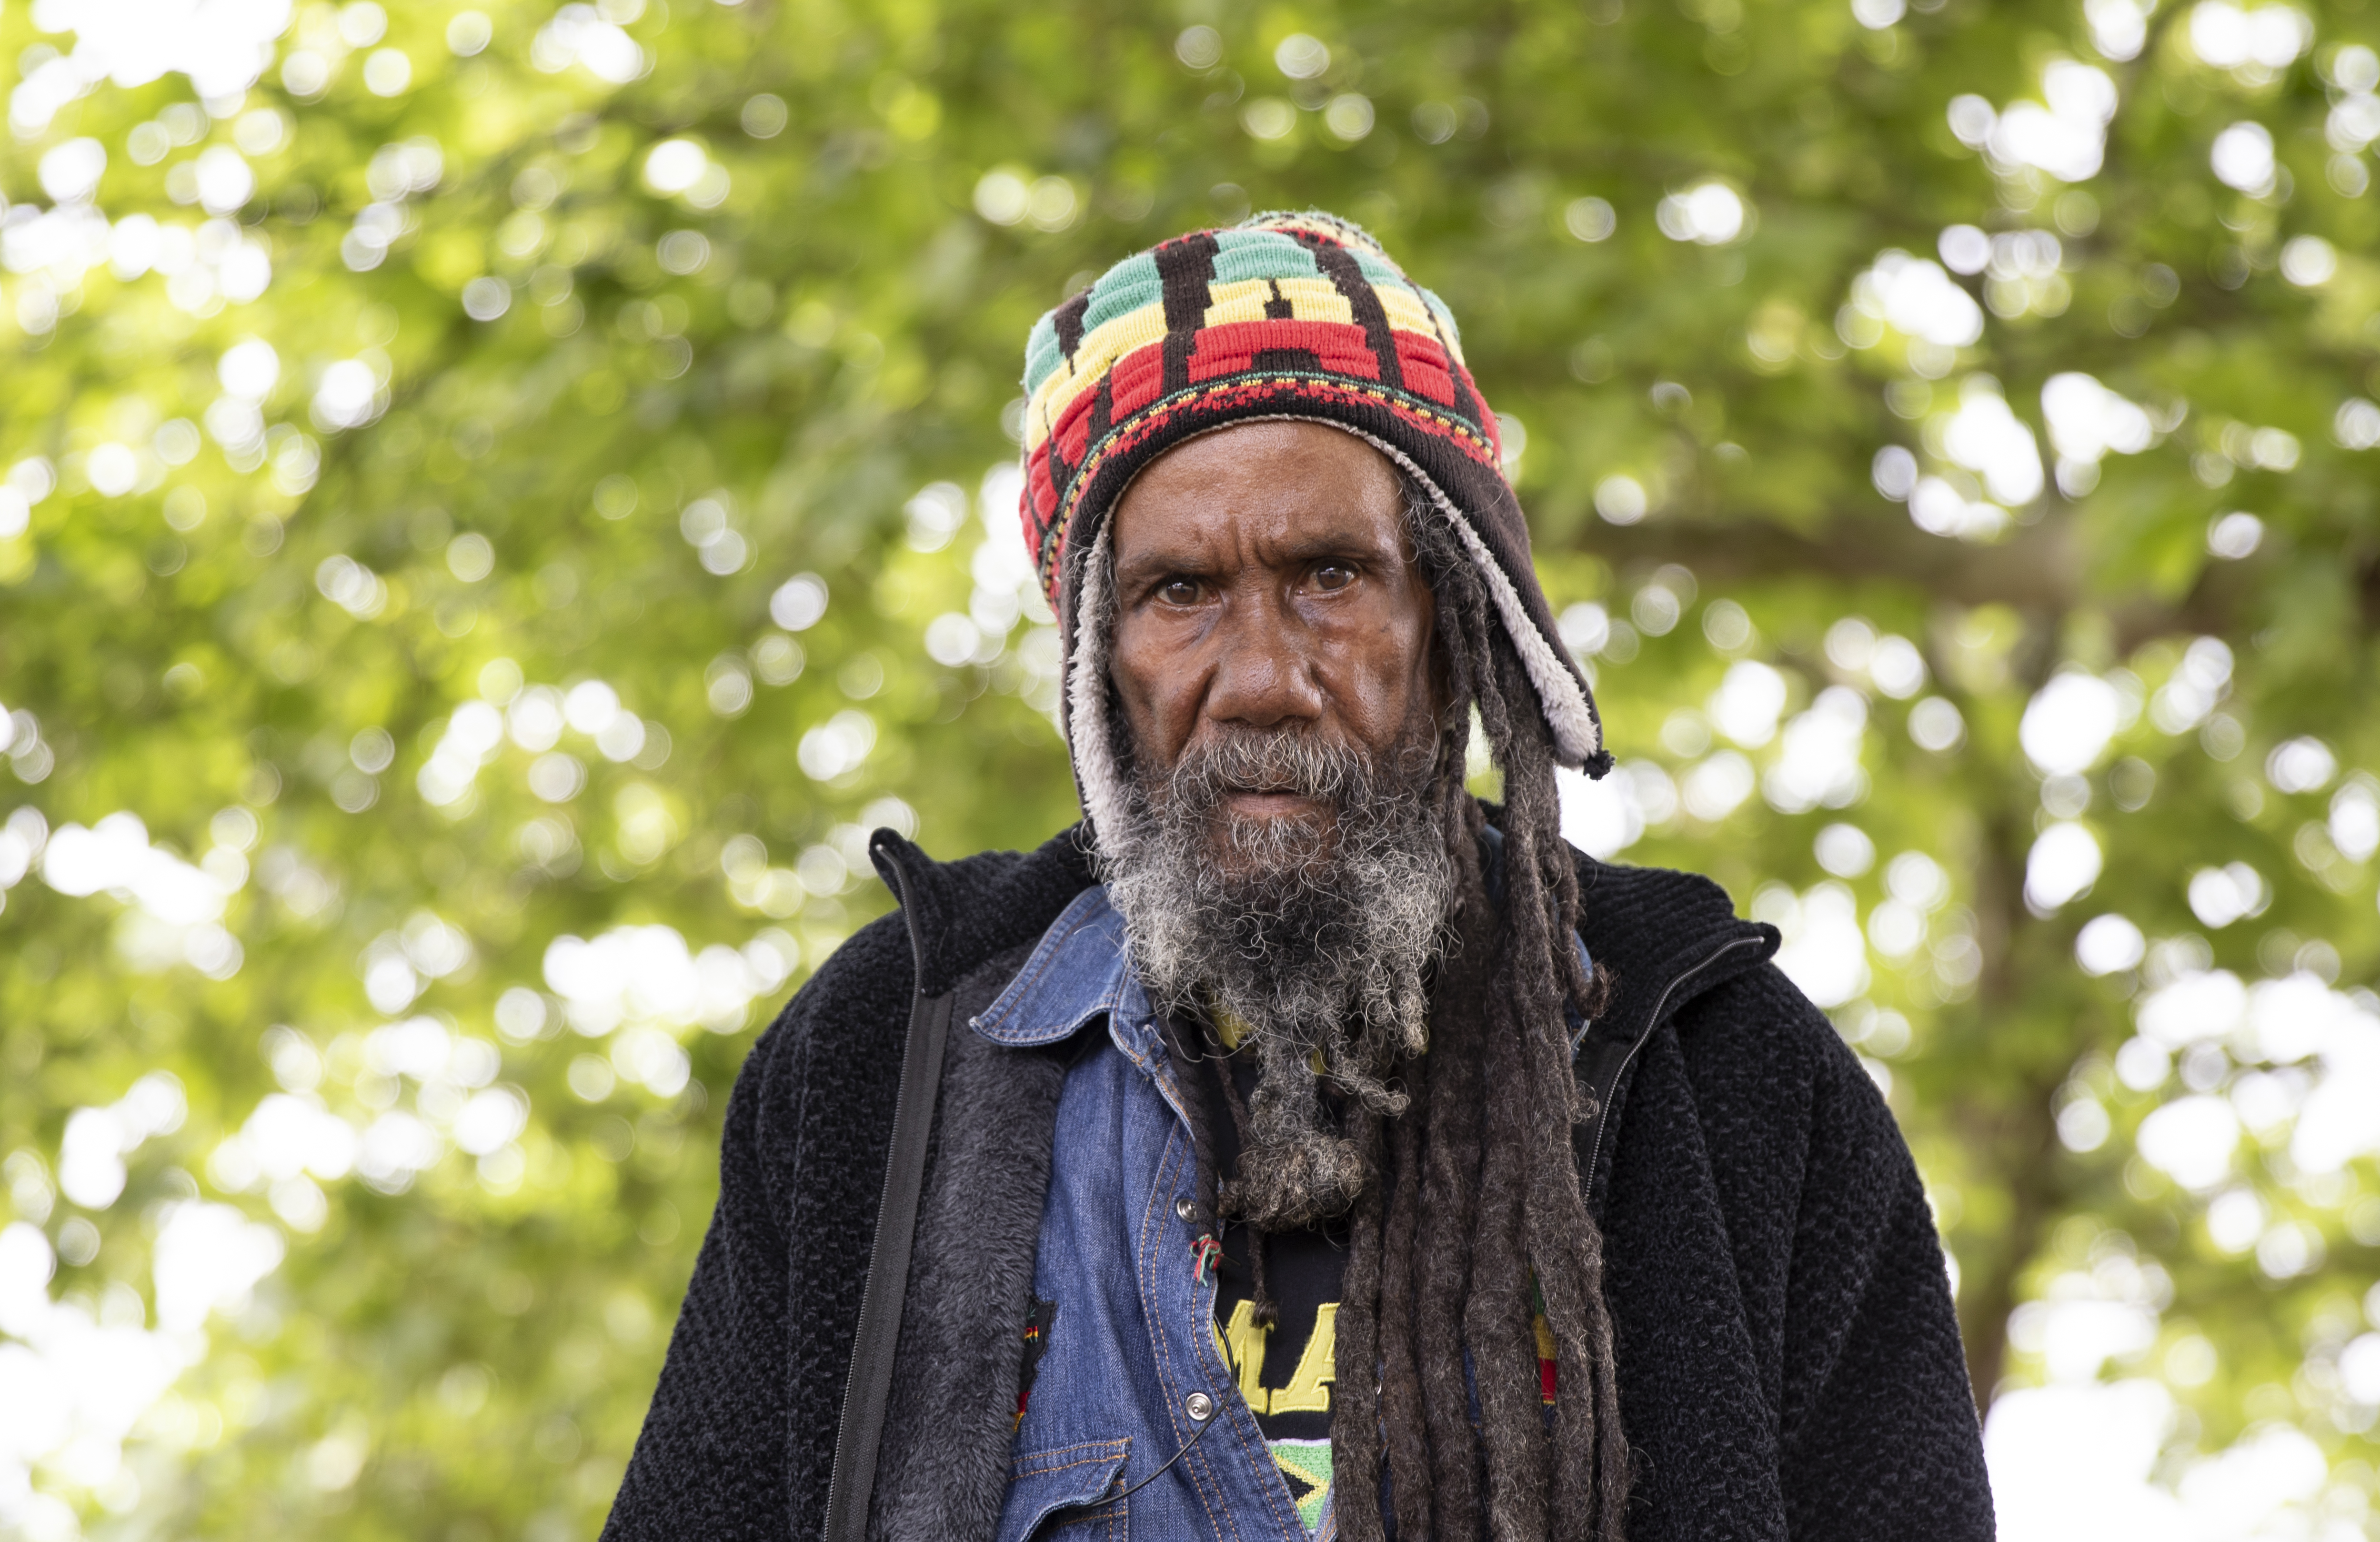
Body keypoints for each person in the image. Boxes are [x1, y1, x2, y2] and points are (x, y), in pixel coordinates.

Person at [603, 212, 1993, 1542]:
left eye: (1330, 576)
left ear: (1450, 621)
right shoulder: (877, 1064)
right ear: (1100, 668)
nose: (1263, 677)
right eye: (1181, 593)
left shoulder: (1730, 1072)